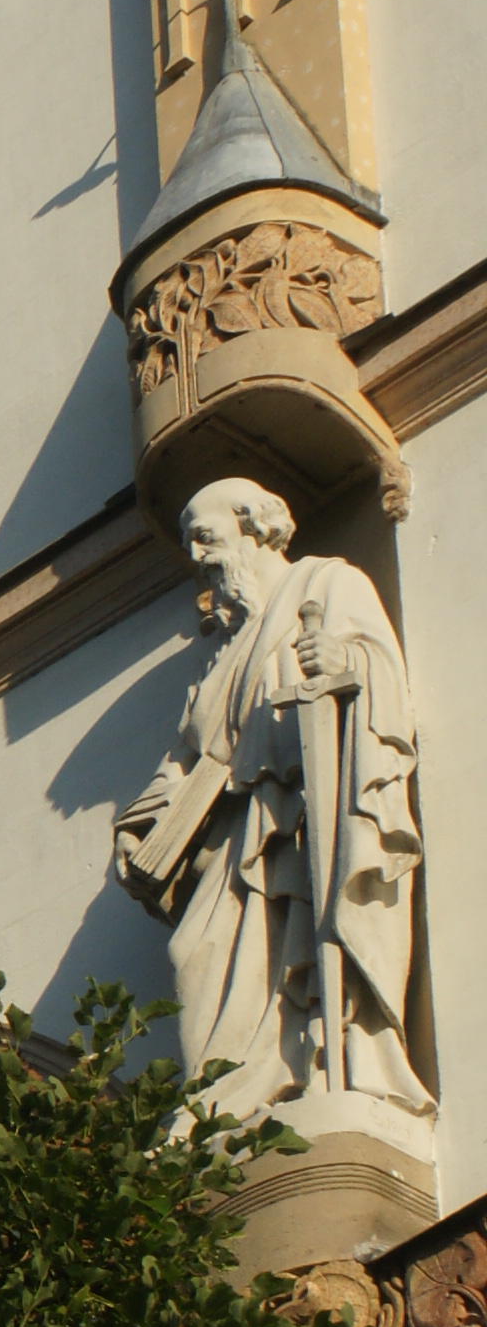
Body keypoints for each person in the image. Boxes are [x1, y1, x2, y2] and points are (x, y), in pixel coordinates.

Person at [116, 476, 426, 1118]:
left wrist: (342, 657)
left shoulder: (326, 584)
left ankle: (318, 1061)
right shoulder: (222, 655)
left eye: (205, 537)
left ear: (254, 525)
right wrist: (138, 826)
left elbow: (381, 670)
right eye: (190, 545)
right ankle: (222, 1104)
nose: (198, 557)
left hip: (303, 821)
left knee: (304, 938)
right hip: (231, 840)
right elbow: (187, 757)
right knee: (192, 957)